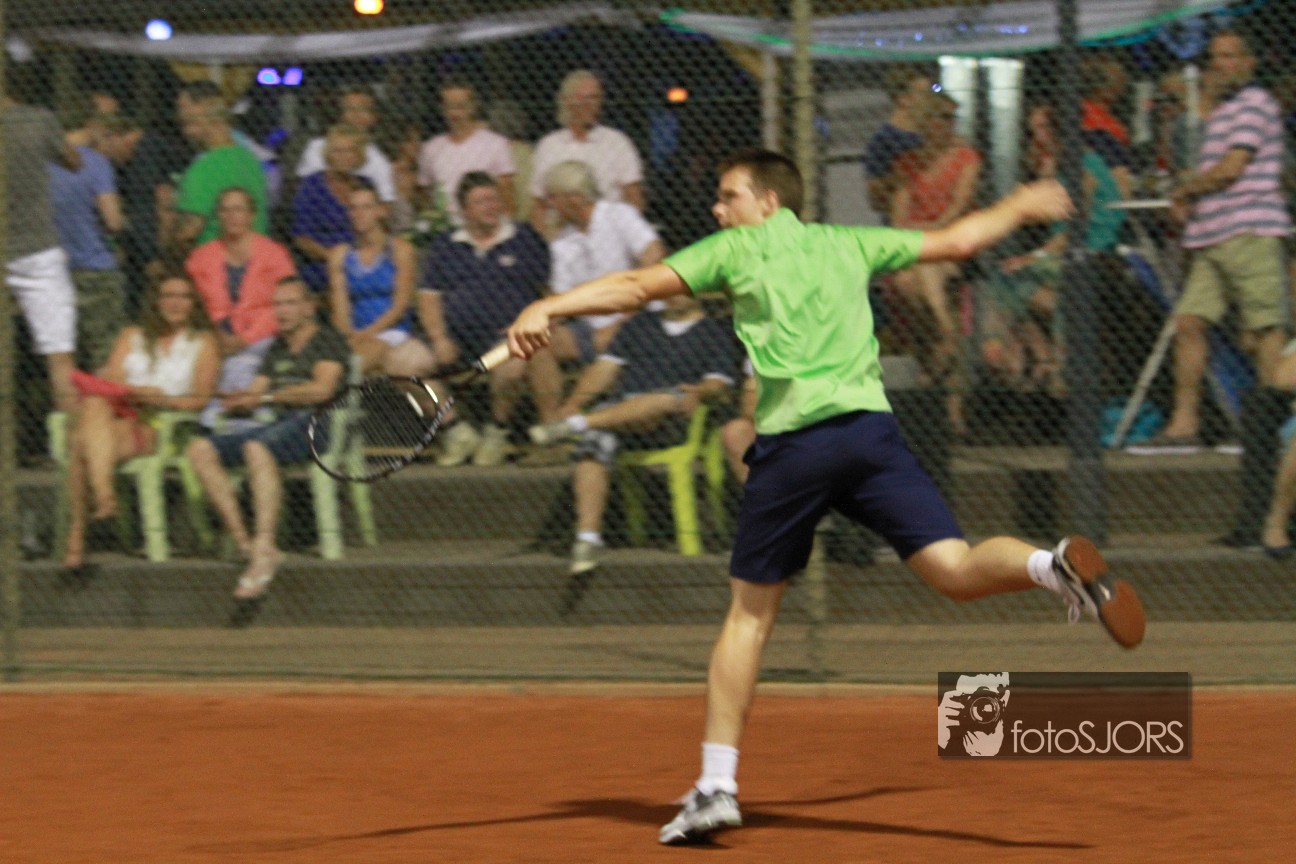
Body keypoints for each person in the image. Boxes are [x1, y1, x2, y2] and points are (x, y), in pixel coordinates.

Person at [504, 148, 1147, 845]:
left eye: (729, 196)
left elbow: (635, 286)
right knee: (955, 569)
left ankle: (716, 786)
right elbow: (959, 241)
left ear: (768, 202)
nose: (718, 209)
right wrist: (1020, 205)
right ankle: (1051, 567)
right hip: (871, 436)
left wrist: (550, 304)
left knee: (748, 617)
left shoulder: (735, 249)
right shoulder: (849, 242)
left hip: (795, 448)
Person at [527, 292, 738, 574]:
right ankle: (588, 538)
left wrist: (699, 391)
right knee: (592, 448)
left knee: (666, 398)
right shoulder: (639, 324)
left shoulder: (716, 332)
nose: (672, 295)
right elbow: (604, 369)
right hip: (620, 417)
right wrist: (573, 404)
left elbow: (718, 384)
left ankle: (578, 424)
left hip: (673, 418)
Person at [1150, 30, 1291, 451]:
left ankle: (1268, 428)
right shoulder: (1223, 110)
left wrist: (1185, 192)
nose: (1219, 64)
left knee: (1264, 327)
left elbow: (1232, 168)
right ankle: (1184, 425)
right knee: (1189, 322)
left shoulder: (1255, 103)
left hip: (1250, 229)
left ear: (1249, 62)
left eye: (1230, 56)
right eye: (1215, 57)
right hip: (1212, 233)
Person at [184, 277, 348, 600]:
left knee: (256, 447)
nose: (282, 311)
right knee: (200, 448)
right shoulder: (277, 346)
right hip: (277, 424)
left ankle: (264, 543)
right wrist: (240, 400)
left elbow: (322, 390)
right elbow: (257, 391)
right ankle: (244, 542)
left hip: (316, 425)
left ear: (309, 307)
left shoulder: (328, 339)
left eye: (290, 303)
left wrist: (270, 397)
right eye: (277, 305)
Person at [61, 274, 220, 575]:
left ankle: (78, 534)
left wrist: (162, 400)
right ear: (156, 302)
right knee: (94, 404)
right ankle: (104, 495)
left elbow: (200, 399)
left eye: (183, 296)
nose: (175, 303)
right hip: (118, 415)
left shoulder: (203, 342)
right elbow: (113, 381)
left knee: (80, 444)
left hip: (159, 426)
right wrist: (138, 393)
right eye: (168, 296)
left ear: (194, 303)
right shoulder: (131, 335)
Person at [417, 172, 550, 467]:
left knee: (513, 366)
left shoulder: (524, 239)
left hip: (504, 336)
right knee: (401, 363)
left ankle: (496, 431)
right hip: (454, 337)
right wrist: (439, 337)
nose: (491, 206)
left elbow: (548, 293)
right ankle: (455, 429)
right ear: (464, 210)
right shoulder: (446, 244)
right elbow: (428, 297)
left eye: (494, 199)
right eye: (481, 202)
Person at [528, 160, 666, 424]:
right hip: (590, 329)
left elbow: (654, 257)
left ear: (574, 197)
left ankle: (570, 418)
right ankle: (552, 427)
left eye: (553, 198)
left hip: (640, 319)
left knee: (615, 341)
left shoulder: (618, 215)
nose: (549, 206)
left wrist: (623, 320)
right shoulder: (562, 241)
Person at [889, 91, 982, 434]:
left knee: (926, 270)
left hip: (955, 246)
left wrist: (925, 233)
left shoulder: (966, 159)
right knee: (908, 281)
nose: (948, 125)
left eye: (951, 118)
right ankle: (944, 334)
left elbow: (957, 210)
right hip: (919, 251)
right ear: (925, 123)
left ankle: (943, 334)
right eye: (941, 118)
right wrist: (920, 235)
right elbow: (899, 219)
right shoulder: (907, 164)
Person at [185, 187, 297, 428]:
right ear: (218, 215)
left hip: (266, 334)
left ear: (251, 215)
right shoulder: (201, 257)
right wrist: (218, 334)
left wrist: (246, 338)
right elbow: (196, 305)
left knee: (243, 361)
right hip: (215, 336)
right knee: (215, 358)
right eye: (225, 210)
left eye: (238, 209)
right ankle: (243, 420)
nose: (232, 216)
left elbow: (287, 302)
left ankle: (219, 418)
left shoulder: (274, 254)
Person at [3, 87, 82, 415]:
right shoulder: (36, 119)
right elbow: (73, 161)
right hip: (37, 248)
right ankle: (70, 435)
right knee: (59, 353)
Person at [49, 110, 128, 372]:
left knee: (61, 349)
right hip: (95, 267)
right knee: (105, 348)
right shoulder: (95, 163)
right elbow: (112, 220)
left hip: (54, 267)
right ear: (91, 126)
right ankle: (103, 394)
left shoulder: (42, 163)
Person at [530, 70, 645, 235]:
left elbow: (634, 197)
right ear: (567, 101)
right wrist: (542, 240)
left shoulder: (617, 143)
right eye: (582, 98)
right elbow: (539, 203)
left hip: (607, 232)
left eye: (594, 98)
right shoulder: (548, 146)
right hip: (561, 232)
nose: (589, 104)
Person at [326, 184, 422, 375]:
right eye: (353, 208)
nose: (359, 214)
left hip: (392, 331)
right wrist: (349, 334)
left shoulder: (400, 250)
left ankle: (345, 383)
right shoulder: (340, 255)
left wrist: (367, 334)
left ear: (380, 211)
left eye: (366, 207)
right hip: (355, 333)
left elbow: (401, 305)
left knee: (361, 359)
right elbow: (340, 308)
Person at [169, 92, 269, 256]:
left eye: (193, 124)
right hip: (255, 259)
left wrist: (171, 259)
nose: (186, 132)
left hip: (213, 263)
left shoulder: (205, 167)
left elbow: (188, 232)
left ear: (216, 124)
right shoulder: (250, 161)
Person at [417, 79, 516, 224]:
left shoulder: (495, 144)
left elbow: (507, 195)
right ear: (442, 108)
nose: (455, 113)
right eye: (449, 106)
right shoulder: (431, 148)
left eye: (461, 106)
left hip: (485, 226)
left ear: (473, 106)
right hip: (444, 228)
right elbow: (424, 194)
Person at [291, 124, 368, 292]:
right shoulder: (311, 186)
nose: (343, 157)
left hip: (364, 263)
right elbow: (302, 239)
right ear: (329, 154)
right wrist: (335, 259)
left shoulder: (366, 185)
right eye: (337, 151)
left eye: (349, 151)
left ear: (358, 155)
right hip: (322, 267)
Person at [295, 85, 397, 205]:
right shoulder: (317, 147)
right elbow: (301, 189)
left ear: (374, 117)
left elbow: (386, 202)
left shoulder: (379, 161)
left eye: (362, 109)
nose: (356, 114)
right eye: (350, 109)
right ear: (341, 114)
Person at [862, 63, 936, 219]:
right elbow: (875, 199)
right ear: (904, 100)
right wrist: (898, 178)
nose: (931, 100)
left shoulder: (932, 135)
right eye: (924, 94)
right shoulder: (883, 141)